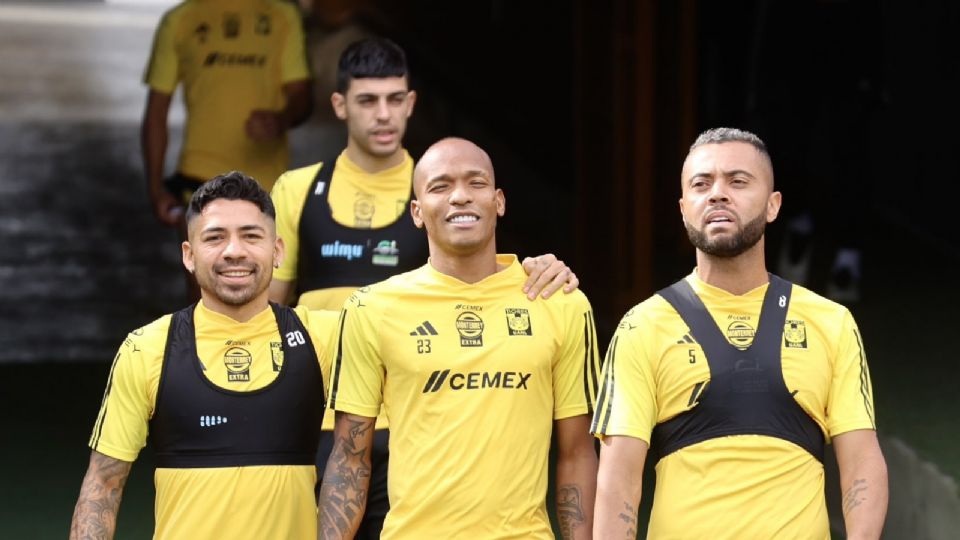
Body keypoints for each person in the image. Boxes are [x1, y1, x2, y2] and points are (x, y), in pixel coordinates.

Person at [269, 37, 578, 538]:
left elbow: (484, 274)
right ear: (340, 105)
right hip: (329, 414)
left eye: (396, 99)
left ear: (413, 103)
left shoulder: (441, 183)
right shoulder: (299, 189)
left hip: (420, 420)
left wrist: (543, 268)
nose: (384, 115)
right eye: (369, 101)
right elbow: (268, 315)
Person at [591, 127, 888, 539]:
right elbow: (618, 480)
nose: (717, 194)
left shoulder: (831, 322)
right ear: (682, 208)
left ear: (772, 205)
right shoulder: (641, 326)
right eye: (701, 184)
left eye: (737, 181)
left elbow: (860, 461)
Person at [318, 137, 601, 540]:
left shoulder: (561, 303)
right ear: (417, 212)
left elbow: (576, 453)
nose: (461, 197)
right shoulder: (371, 308)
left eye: (476, 183)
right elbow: (349, 460)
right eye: (440, 186)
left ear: (498, 201)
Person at [69, 172, 336, 540]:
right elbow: (103, 485)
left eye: (251, 235)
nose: (234, 251)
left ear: (278, 251)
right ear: (189, 256)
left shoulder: (323, 337)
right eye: (215, 238)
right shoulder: (147, 347)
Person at [143, 0, 313, 229]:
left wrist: (281, 119)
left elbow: (302, 95)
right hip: (198, 183)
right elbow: (156, 113)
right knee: (208, 265)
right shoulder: (179, 21)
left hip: (267, 187)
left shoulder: (282, 16)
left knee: (262, 266)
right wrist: (156, 191)